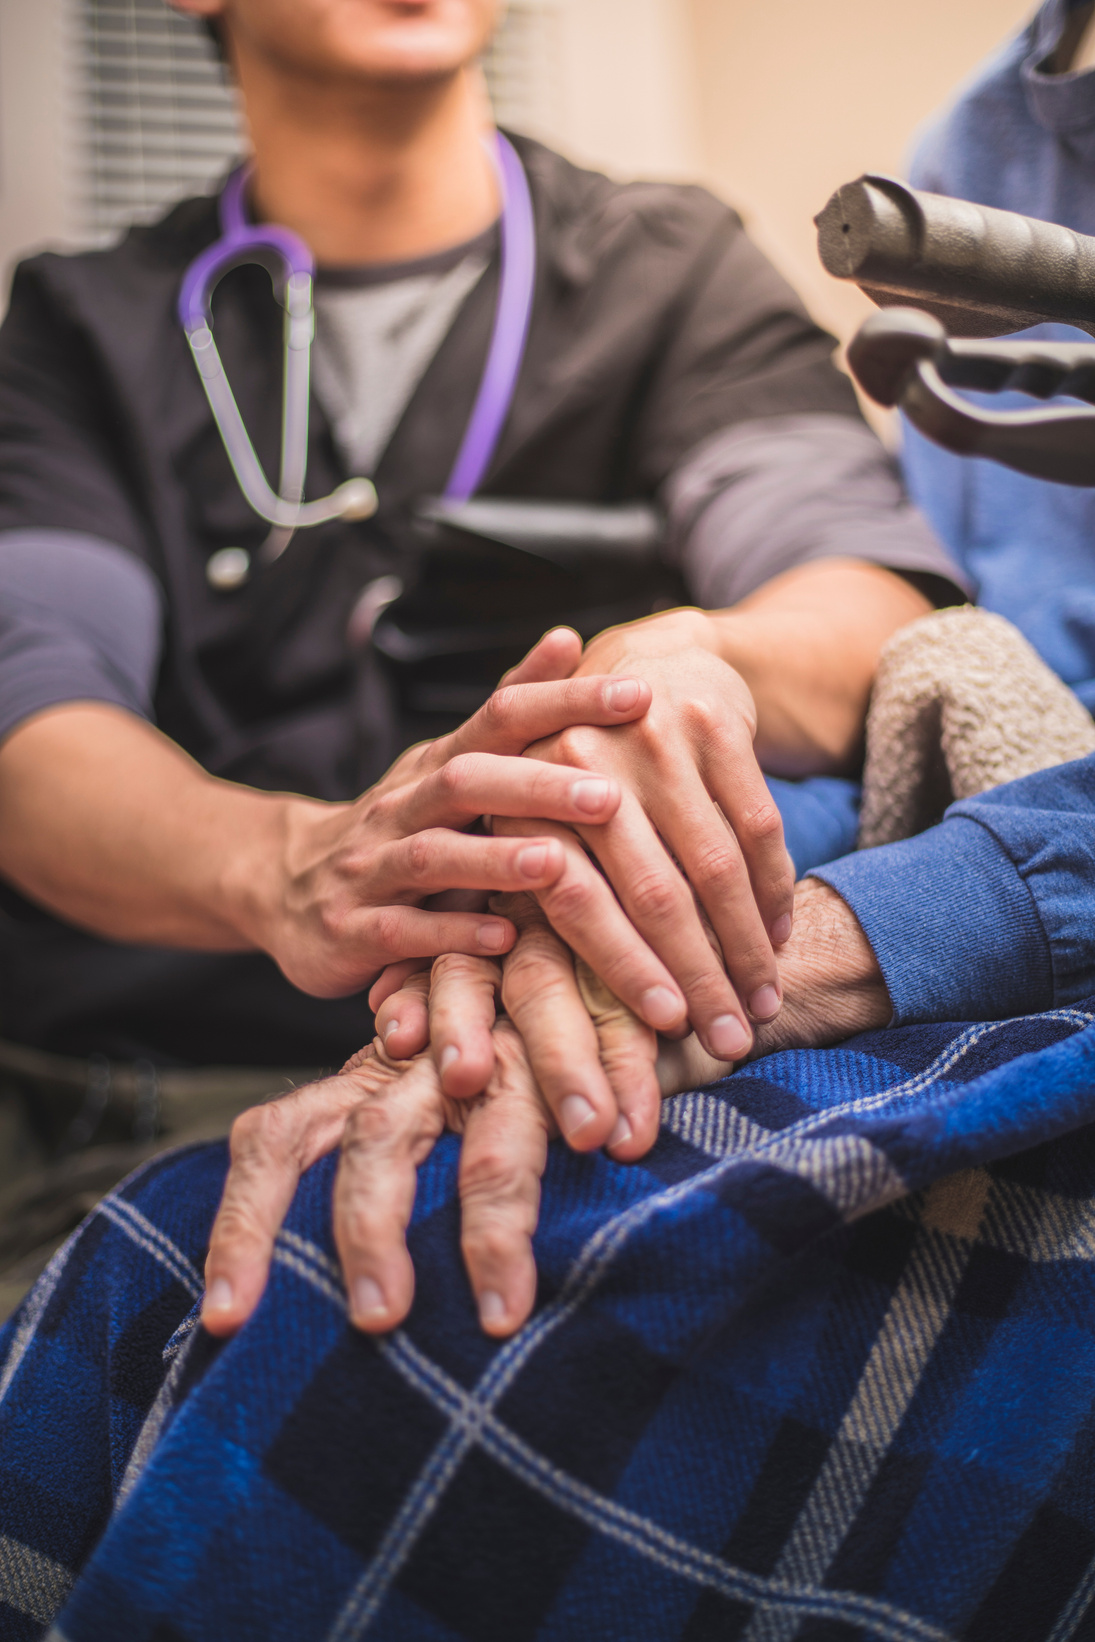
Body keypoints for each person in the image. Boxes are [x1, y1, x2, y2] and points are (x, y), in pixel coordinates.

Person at [0, 0, 959, 1114]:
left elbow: (870, 607)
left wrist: (689, 660)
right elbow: (32, 719)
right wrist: (282, 865)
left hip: (573, 1053)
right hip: (144, 1086)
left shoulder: (671, 273)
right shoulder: (81, 327)